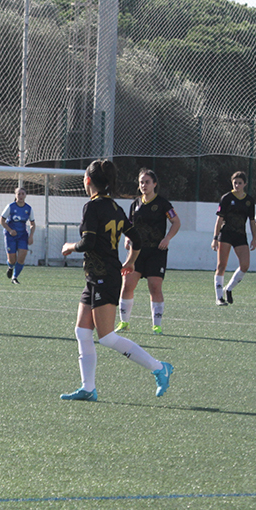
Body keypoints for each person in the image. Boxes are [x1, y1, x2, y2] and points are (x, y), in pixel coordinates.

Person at [59, 160, 173, 401]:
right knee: (81, 331)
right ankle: (88, 388)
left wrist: (69, 246)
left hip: (104, 277)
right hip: (96, 277)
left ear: (88, 180)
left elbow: (88, 242)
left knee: (108, 336)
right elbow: (137, 240)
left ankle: (159, 367)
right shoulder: (116, 207)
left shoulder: (93, 207)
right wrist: (130, 261)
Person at [116, 169, 181, 334]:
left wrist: (167, 239)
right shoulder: (135, 204)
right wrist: (126, 238)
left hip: (156, 252)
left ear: (154, 184)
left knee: (155, 287)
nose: (143, 185)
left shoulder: (163, 204)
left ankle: (156, 325)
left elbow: (176, 222)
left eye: (147, 182)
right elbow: (129, 225)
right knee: (127, 285)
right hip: (136, 252)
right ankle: (124, 323)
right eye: (141, 182)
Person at [212, 171, 256, 306]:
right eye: (235, 182)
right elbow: (219, 220)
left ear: (245, 184)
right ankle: (219, 297)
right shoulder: (226, 198)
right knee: (221, 265)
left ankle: (228, 288)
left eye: (240, 183)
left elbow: (252, 221)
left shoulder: (249, 201)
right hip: (226, 234)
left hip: (240, 235)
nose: (237, 185)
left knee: (245, 265)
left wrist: (254, 238)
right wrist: (215, 238)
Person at [0, 187, 35, 284]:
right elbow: (2, 220)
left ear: (25, 195)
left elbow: (32, 224)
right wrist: (10, 230)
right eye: (18, 194)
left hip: (22, 235)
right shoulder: (10, 206)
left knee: (22, 256)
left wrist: (31, 236)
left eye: (22, 194)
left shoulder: (28, 208)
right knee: (12, 259)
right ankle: (10, 267)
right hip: (10, 235)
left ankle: (14, 277)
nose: (20, 196)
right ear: (15, 195)